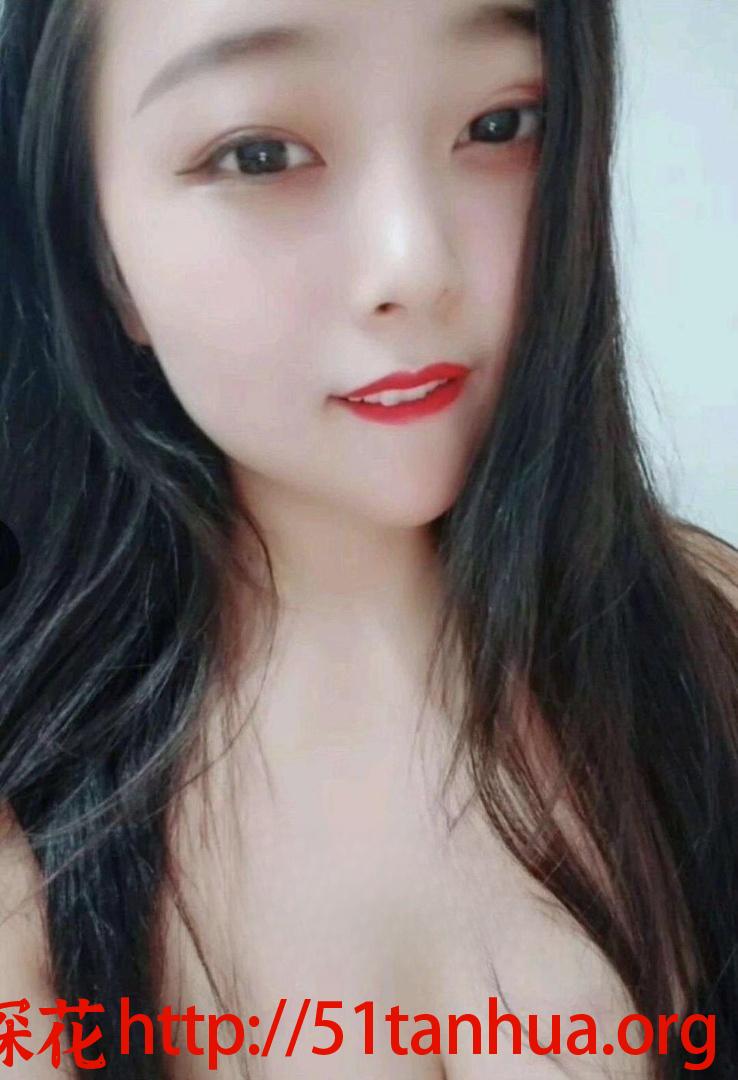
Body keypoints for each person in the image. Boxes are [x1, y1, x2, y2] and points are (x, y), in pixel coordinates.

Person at [0, 0, 736, 1077]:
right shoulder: (32, 807)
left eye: (500, 125)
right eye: (260, 154)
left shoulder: (710, 647)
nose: (414, 262)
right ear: (94, 249)